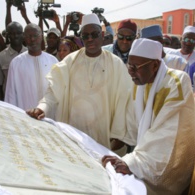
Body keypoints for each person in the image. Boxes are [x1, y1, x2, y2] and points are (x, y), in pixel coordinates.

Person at [26, 13, 133, 151]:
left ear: (102, 35)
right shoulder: (70, 61)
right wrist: (42, 107)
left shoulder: (116, 64)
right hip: (73, 136)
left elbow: (124, 99)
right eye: (85, 35)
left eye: (94, 34)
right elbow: (53, 91)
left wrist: (118, 134)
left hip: (102, 138)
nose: (90, 39)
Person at [102, 38, 195, 194]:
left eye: (135, 67)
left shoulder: (176, 83)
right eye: (129, 65)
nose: (130, 71)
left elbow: (166, 135)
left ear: (154, 65)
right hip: (144, 155)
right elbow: (131, 122)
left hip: (170, 161)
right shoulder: (139, 82)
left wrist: (132, 163)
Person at [4, 23, 58, 110]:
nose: (32, 39)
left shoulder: (53, 61)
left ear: (41, 37)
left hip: (49, 115)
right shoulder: (16, 63)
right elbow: (11, 95)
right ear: (24, 38)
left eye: (35, 36)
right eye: (29, 36)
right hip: (25, 116)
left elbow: (58, 91)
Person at [0, 22, 27, 101]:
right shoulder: (0, 58)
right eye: (12, 33)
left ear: (23, 35)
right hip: (10, 102)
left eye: (18, 33)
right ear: (8, 35)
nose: (16, 36)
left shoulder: (31, 54)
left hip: (29, 101)